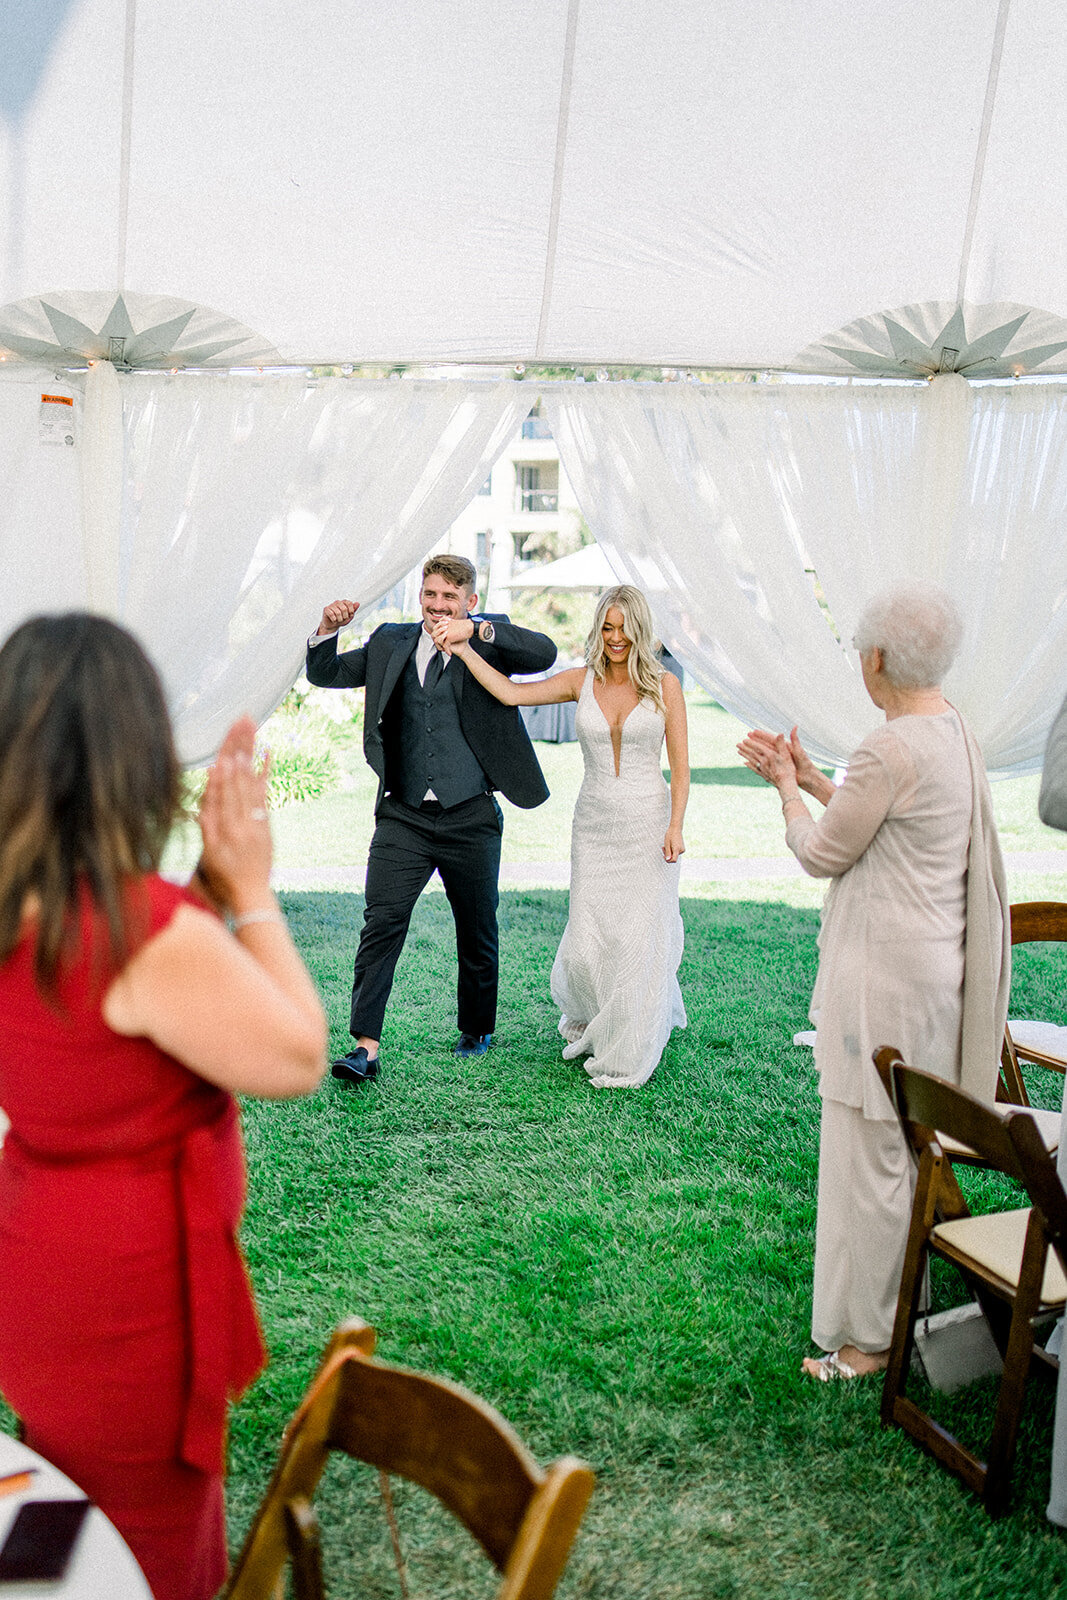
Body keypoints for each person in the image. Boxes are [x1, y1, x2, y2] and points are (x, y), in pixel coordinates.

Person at [0, 614, 327, 1600]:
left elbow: (123, 1022)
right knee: (146, 1546)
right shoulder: (144, 929)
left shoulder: (31, 900)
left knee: (64, 1521)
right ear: (133, 755)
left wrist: (203, 895)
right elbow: (298, 1052)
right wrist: (252, 889)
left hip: (44, 1271)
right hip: (129, 1308)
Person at [738, 581, 1009, 1381]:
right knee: (902, 1145)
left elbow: (824, 852)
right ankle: (900, 1308)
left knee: (871, 1158)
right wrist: (818, 783)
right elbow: (880, 821)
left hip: (884, 980)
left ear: (877, 658)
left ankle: (865, 1343)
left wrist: (787, 790)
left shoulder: (889, 747)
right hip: (934, 974)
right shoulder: (948, 729)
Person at [306, 554, 556, 1080]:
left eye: (450, 597)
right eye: (431, 595)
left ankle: (476, 1027)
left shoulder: (490, 637)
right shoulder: (390, 643)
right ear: (420, 596)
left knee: (477, 924)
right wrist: (327, 630)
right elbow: (326, 672)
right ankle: (364, 1046)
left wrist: (476, 632)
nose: (438, 606)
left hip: (471, 814)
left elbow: (545, 651)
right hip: (404, 816)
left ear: (469, 600)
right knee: (382, 922)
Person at [436, 583, 689, 1088]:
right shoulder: (581, 681)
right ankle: (599, 1016)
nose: (615, 638)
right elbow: (510, 693)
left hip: (648, 824)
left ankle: (631, 1039)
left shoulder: (666, 687)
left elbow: (681, 770)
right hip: (593, 824)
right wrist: (464, 650)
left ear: (640, 630)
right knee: (590, 937)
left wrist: (676, 825)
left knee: (639, 932)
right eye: (607, 628)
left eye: (624, 628)